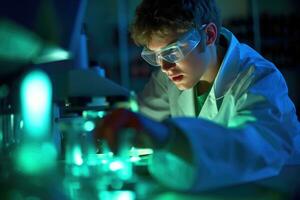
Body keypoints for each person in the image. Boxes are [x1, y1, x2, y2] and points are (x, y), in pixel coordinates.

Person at [95, 0, 300, 191]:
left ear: (209, 35)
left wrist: (168, 137)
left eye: (172, 51)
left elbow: (257, 148)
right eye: (155, 56)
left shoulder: (258, 77)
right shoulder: (169, 77)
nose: (164, 67)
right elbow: (140, 120)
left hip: (270, 189)